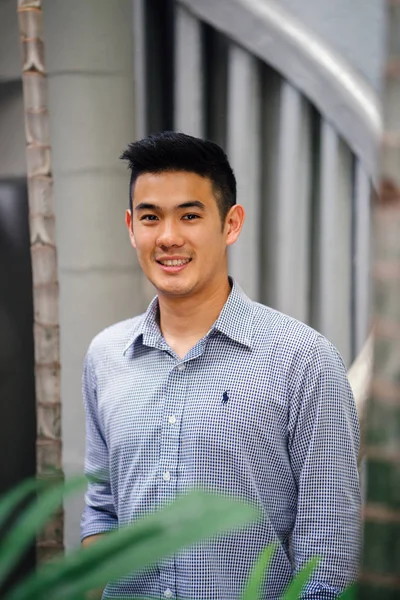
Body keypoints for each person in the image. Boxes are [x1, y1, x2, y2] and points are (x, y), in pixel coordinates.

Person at [80, 131, 360, 600]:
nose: (168, 237)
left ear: (231, 224)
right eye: (151, 218)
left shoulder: (305, 361)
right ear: (131, 227)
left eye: (190, 215)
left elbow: (328, 562)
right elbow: (102, 511)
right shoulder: (106, 356)